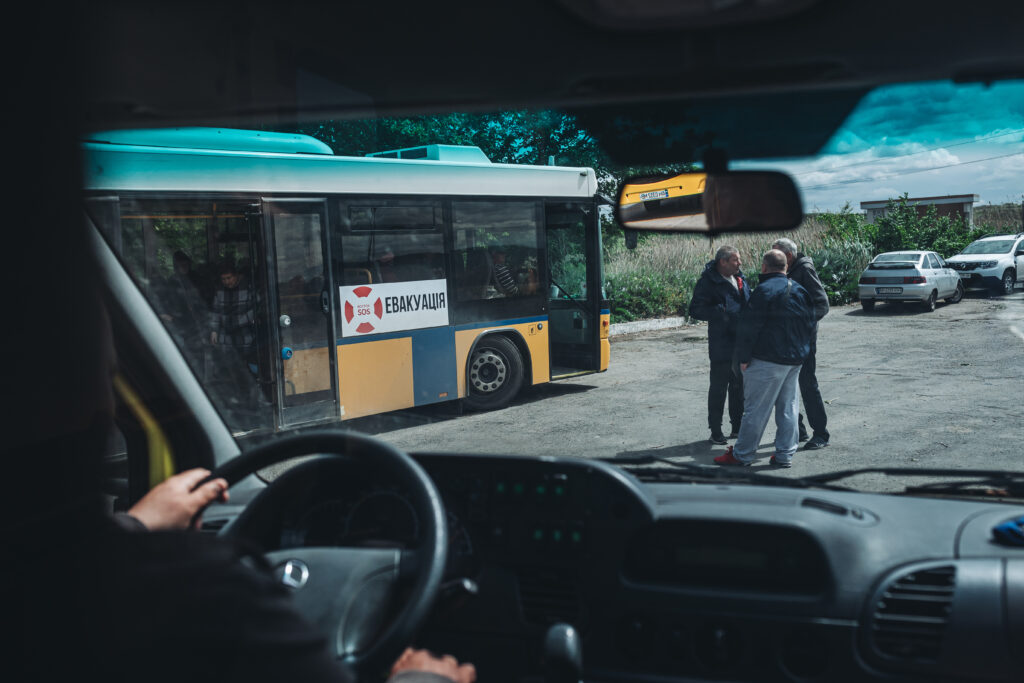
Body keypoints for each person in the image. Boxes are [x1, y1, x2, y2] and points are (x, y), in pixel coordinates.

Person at [714, 249, 815, 468]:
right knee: (788, 408)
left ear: (764, 267)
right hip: (794, 359)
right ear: (786, 267)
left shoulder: (764, 291)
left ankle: (742, 455)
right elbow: (810, 322)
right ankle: (784, 456)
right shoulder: (799, 290)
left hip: (768, 359)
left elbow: (749, 328)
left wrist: (744, 357)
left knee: (755, 411)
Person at [688, 245, 751, 444]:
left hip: (741, 342)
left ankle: (737, 427)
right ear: (722, 262)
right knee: (718, 387)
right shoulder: (708, 282)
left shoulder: (740, 278)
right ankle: (716, 431)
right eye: (736, 260)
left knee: (738, 386)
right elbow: (695, 310)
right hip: (721, 343)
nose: (740, 263)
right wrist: (721, 314)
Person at [772, 238, 831, 450]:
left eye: (776, 254)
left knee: (807, 385)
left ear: (788, 255)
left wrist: (799, 326)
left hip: (803, 340)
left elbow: (822, 305)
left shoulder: (804, 269)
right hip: (785, 340)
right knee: (784, 386)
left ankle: (821, 434)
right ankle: (799, 430)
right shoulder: (783, 270)